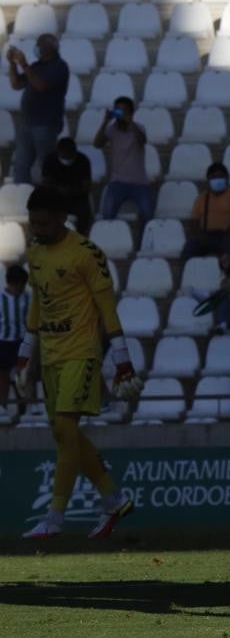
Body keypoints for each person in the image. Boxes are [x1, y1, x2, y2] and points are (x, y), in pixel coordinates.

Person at [16, 187, 141, 539]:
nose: (37, 228)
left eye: (43, 222)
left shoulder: (86, 254)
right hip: (50, 354)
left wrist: (122, 360)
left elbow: (106, 308)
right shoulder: (35, 252)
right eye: (32, 222)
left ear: (61, 217)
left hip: (82, 352)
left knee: (66, 428)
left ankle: (55, 517)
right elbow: (38, 303)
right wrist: (26, 352)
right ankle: (113, 498)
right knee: (62, 432)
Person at [7, 35, 69, 184]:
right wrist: (12, 63)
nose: (37, 47)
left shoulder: (59, 66)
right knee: (21, 164)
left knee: (46, 166)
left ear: (50, 48)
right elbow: (16, 84)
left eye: (40, 45)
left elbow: (41, 86)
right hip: (27, 123)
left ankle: (49, 202)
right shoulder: (36, 66)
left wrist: (24, 65)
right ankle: (22, 200)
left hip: (46, 124)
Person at [94, 96, 153, 227]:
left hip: (139, 182)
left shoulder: (139, 128)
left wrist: (130, 122)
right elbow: (97, 144)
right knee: (107, 214)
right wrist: (105, 121)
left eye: (123, 110)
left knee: (148, 215)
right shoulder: (111, 129)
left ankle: (145, 244)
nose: (120, 113)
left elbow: (142, 141)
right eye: (118, 110)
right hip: (117, 182)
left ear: (131, 112)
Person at [182, 163, 230, 259]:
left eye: (220, 176)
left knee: (229, 249)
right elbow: (194, 221)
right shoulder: (202, 197)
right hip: (206, 235)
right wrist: (199, 235)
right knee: (190, 248)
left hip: (227, 235)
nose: (217, 180)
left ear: (227, 178)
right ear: (208, 180)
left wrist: (229, 232)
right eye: (213, 177)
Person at [41, 138, 94, 234]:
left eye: (70, 156)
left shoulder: (83, 160)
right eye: (64, 156)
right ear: (58, 152)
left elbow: (86, 186)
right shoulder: (50, 160)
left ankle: (80, 237)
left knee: (84, 213)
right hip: (55, 197)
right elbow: (46, 185)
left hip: (77, 198)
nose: (67, 158)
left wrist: (72, 191)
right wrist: (58, 190)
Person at [1, 265, 30, 417]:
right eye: (21, 285)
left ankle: (23, 407)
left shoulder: (26, 298)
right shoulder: (1, 299)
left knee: (21, 377)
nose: (22, 288)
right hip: (4, 343)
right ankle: (3, 407)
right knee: (3, 376)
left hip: (20, 343)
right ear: (12, 283)